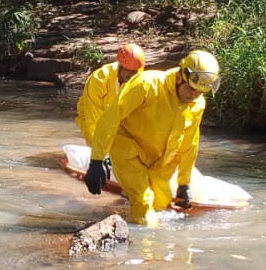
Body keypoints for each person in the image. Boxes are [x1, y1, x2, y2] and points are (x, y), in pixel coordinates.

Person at [82, 49, 220, 227]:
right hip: (129, 150)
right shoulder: (147, 84)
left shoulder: (197, 104)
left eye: (200, 92)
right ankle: (146, 250)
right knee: (144, 206)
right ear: (180, 76)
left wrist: (184, 183)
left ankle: (128, 221)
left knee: (161, 206)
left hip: (160, 162)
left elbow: (190, 143)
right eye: (191, 89)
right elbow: (110, 118)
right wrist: (97, 159)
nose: (193, 95)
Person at [75, 43, 145, 147]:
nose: (132, 75)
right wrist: (98, 153)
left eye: (134, 71)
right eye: (128, 71)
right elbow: (93, 119)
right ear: (120, 66)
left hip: (120, 118)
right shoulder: (99, 80)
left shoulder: (140, 79)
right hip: (94, 115)